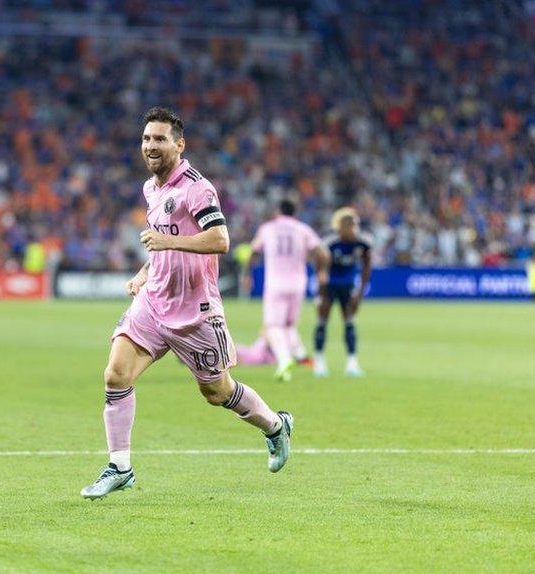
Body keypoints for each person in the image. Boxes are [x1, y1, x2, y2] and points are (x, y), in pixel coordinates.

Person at [80, 107, 294, 500]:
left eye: (159, 139)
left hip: (195, 312)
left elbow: (219, 240)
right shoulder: (151, 188)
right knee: (115, 376)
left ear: (179, 144)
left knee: (216, 392)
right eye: (146, 139)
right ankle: (120, 466)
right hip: (153, 302)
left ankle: (275, 426)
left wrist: (167, 243)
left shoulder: (198, 188)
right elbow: (163, 241)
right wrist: (145, 273)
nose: (151, 146)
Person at [249, 199, 329, 381]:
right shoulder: (303, 229)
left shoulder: (268, 228)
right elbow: (322, 253)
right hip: (298, 283)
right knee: (288, 325)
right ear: (295, 213)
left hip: (276, 283)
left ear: (278, 211)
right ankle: (300, 355)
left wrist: (247, 274)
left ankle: (284, 359)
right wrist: (322, 272)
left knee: (273, 326)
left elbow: (254, 251)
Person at [314, 207, 372, 377]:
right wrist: (321, 292)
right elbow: (320, 269)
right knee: (322, 321)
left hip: (348, 286)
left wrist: (360, 294)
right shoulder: (330, 243)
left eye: (356, 225)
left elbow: (367, 266)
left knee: (349, 322)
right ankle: (319, 361)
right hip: (330, 285)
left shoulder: (363, 243)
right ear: (341, 227)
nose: (355, 229)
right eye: (351, 225)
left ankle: (352, 363)